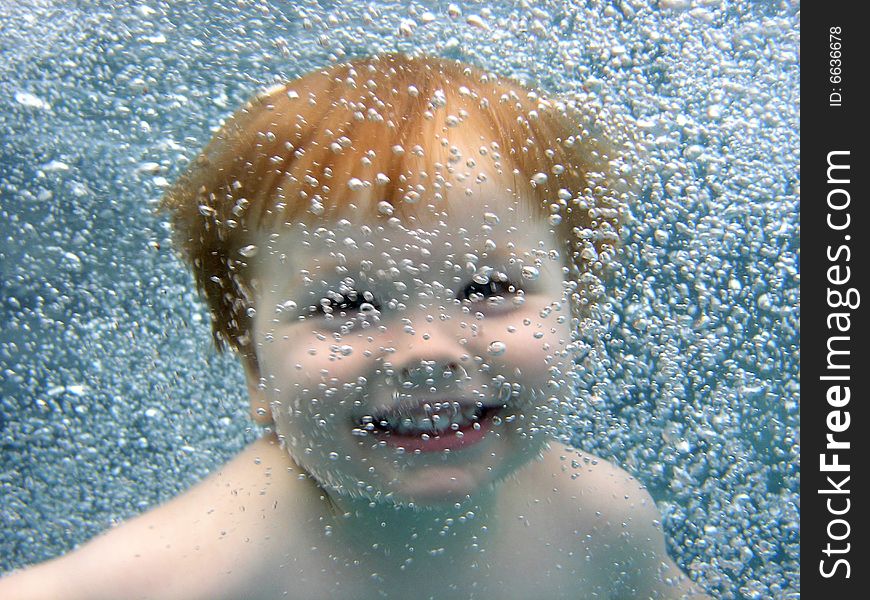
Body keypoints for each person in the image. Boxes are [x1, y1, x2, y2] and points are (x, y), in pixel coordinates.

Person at [0, 53, 709, 599]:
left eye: (489, 288)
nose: (428, 351)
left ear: (573, 315)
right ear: (254, 368)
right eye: (344, 307)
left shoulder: (600, 520)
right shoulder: (220, 561)